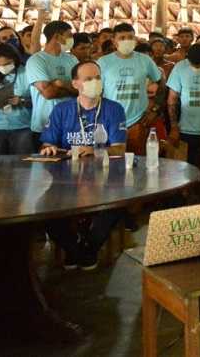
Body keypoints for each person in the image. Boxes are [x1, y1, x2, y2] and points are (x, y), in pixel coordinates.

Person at [39, 61, 128, 270]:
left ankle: (88, 247)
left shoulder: (114, 109)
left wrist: (95, 151)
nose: (95, 82)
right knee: (41, 208)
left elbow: (119, 148)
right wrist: (49, 148)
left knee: (120, 205)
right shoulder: (61, 110)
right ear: (76, 83)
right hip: (66, 180)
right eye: (88, 79)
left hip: (105, 179)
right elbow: (47, 143)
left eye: (97, 78)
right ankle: (76, 246)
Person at [98, 23, 165, 156]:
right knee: (110, 163)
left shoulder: (145, 60)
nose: (127, 41)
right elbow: (97, 91)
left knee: (137, 164)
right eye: (122, 38)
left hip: (138, 122)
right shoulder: (103, 62)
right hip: (111, 122)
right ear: (114, 41)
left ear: (135, 39)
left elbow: (161, 83)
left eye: (130, 37)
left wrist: (154, 110)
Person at [27, 20, 79, 148]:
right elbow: (48, 93)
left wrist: (58, 84)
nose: (71, 39)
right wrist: (70, 87)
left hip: (71, 123)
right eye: (69, 36)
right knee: (46, 164)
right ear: (57, 37)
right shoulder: (36, 61)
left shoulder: (72, 59)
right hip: (45, 124)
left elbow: (82, 90)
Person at [0, 43, 32, 154]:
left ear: (14, 59)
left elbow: (38, 101)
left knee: (22, 166)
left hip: (20, 126)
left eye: (7, 64)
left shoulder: (27, 73)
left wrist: (22, 101)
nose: (3, 68)